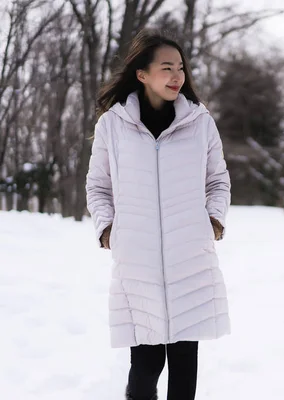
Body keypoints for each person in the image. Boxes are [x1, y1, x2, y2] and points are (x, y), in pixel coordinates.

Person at [85, 28, 231, 400]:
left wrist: (212, 220)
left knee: (184, 362)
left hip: (189, 256)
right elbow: (98, 186)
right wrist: (108, 229)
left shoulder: (199, 123)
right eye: (167, 67)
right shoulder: (112, 126)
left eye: (180, 67)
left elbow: (218, 179)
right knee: (145, 364)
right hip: (138, 259)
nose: (177, 76)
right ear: (142, 74)